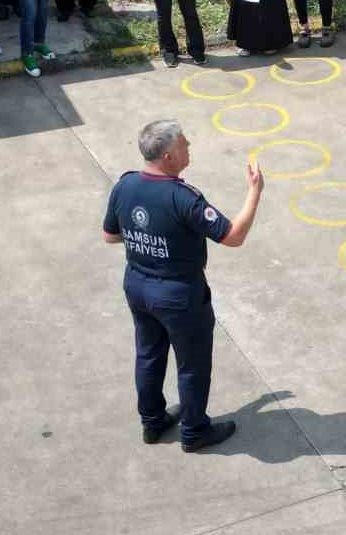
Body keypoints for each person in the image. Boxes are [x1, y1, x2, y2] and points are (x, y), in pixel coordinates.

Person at [102, 120, 264, 452]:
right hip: (178, 295)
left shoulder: (125, 185)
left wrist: (145, 239)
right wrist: (254, 191)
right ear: (168, 156)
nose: (189, 146)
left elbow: (110, 235)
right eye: (184, 144)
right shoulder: (184, 198)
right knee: (192, 365)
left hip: (137, 286)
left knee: (148, 355)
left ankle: (152, 422)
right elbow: (233, 236)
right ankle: (194, 431)